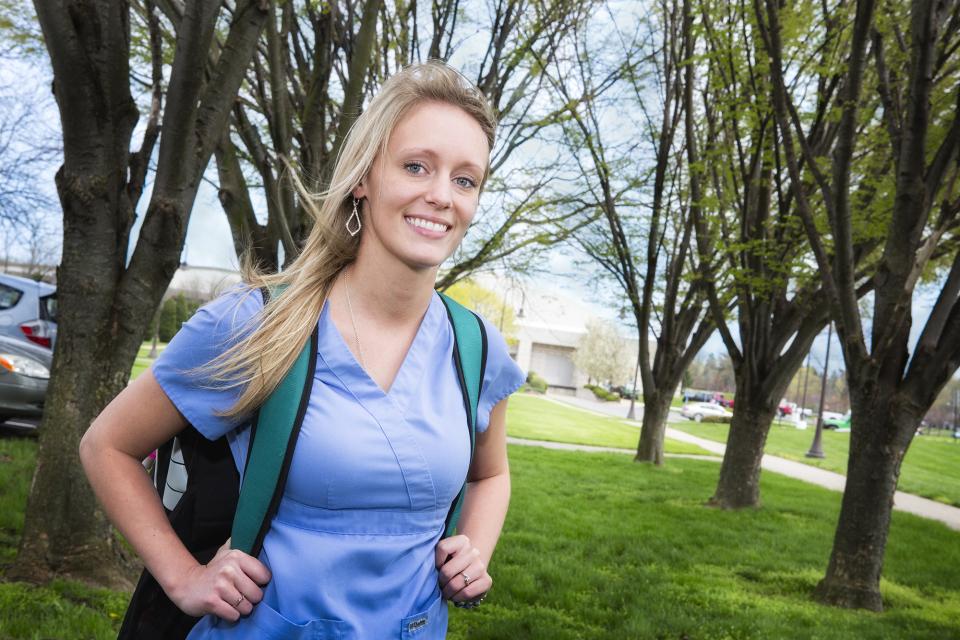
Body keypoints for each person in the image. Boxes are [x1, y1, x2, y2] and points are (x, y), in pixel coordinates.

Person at [79, 61, 525, 639]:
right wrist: (184, 577)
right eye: (417, 166)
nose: (441, 196)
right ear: (364, 177)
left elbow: (490, 477)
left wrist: (475, 552)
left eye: (466, 180)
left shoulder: (477, 347)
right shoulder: (260, 323)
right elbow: (106, 445)